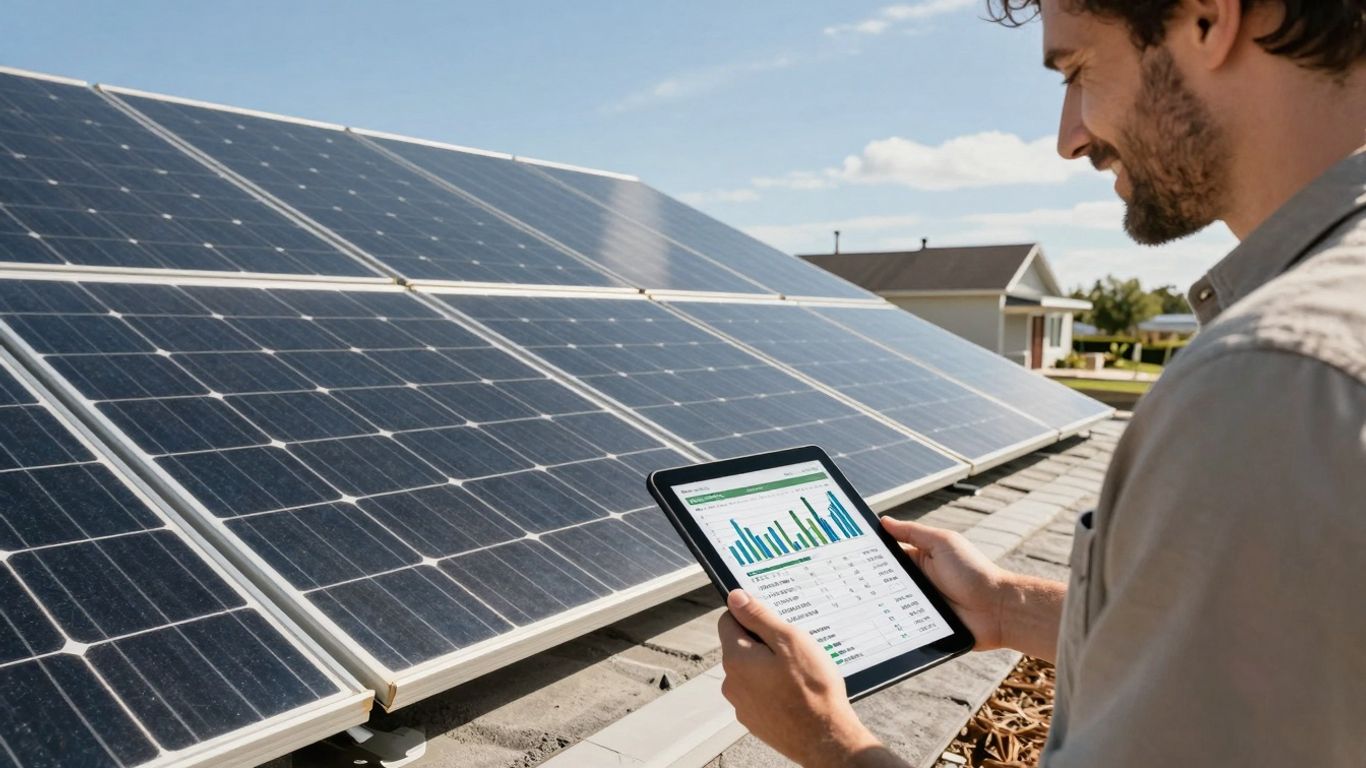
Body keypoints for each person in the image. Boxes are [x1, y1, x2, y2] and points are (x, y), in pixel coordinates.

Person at [718, 0, 1366, 765]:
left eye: (1080, 70)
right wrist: (1002, 605)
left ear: (1207, 17)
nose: (1070, 138)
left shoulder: (1272, 383)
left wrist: (828, 739)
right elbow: (1279, 647)